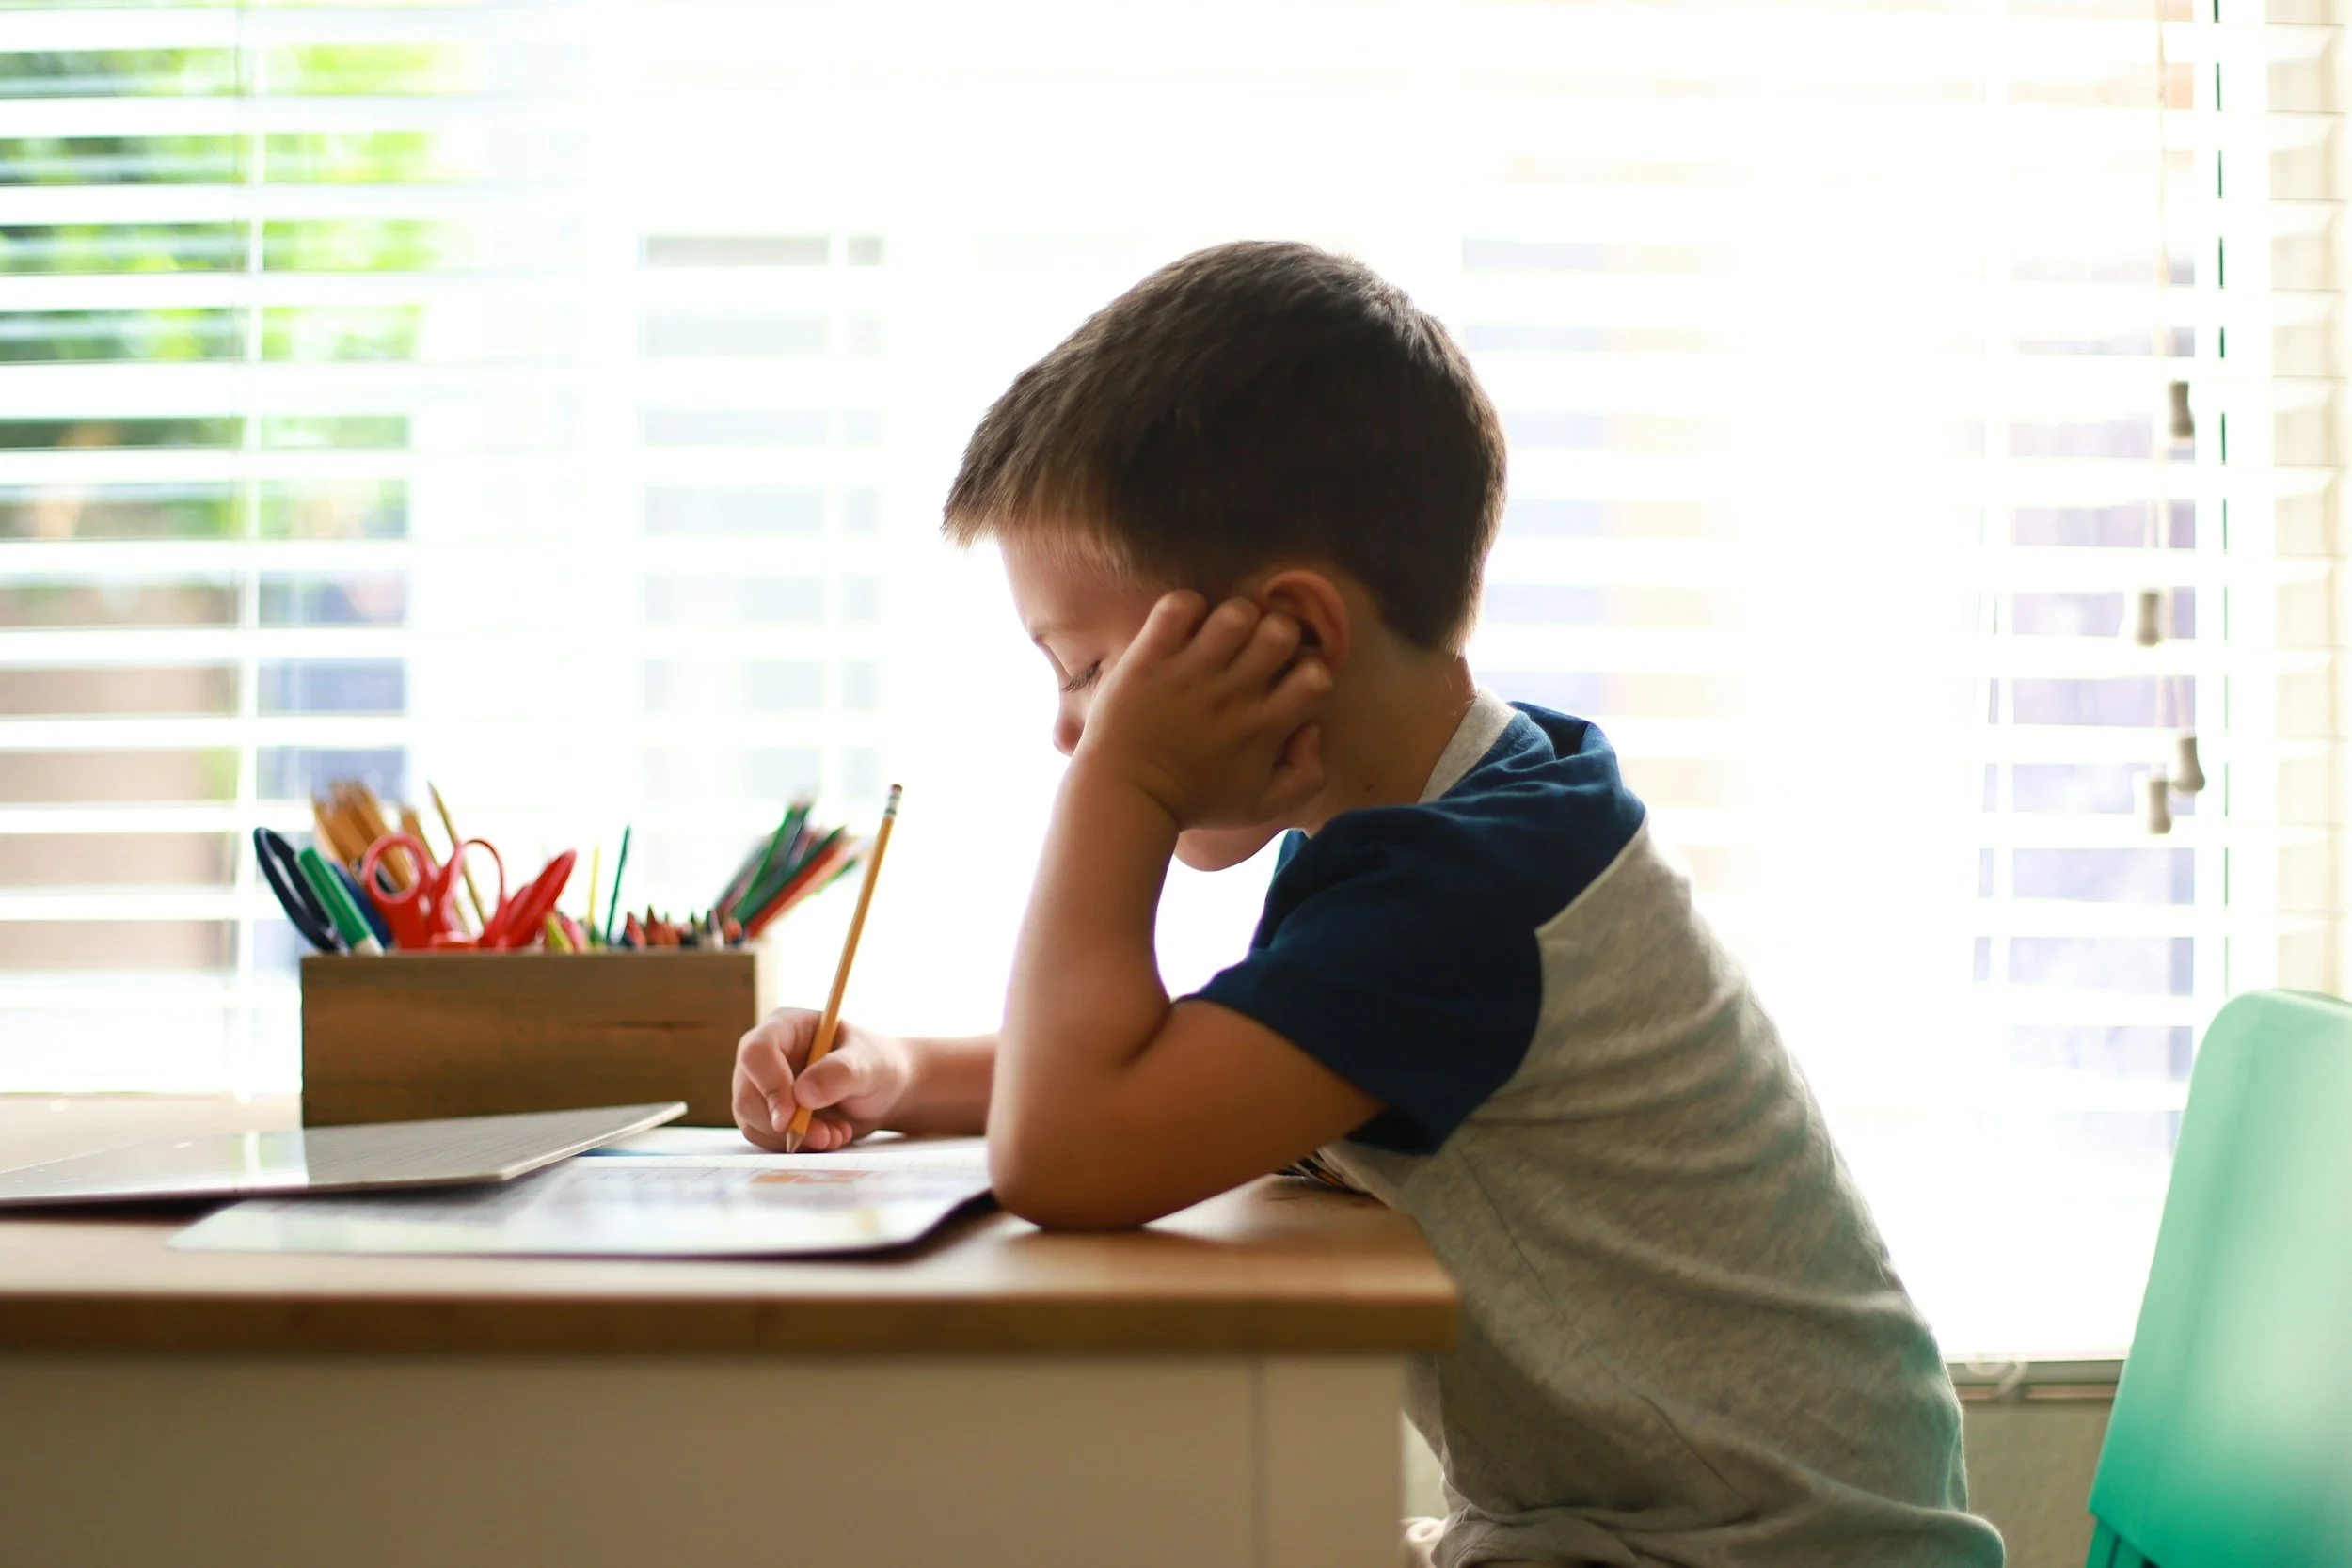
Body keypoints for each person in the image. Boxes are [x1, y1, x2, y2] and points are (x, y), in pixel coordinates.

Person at [732, 241, 2003, 1568]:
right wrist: (897, 1071)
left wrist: (1126, 786)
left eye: (1093, 673)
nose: (1072, 734)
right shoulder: (1455, 825)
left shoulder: (1465, 897)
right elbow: (1181, 1081)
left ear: (1294, 633)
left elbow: (1068, 1156)